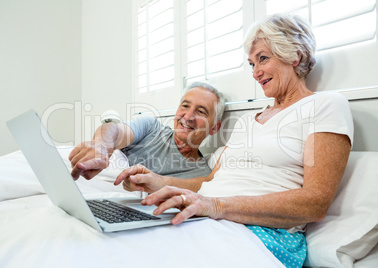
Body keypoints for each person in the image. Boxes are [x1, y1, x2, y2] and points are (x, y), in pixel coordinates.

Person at [114, 14, 353, 267]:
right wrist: (157, 182)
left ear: (295, 56)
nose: (256, 73)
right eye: (252, 64)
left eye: (263, 58)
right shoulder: (248, 121)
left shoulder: (325, 105)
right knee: (119, 244)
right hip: (209, 218)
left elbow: (315, 202)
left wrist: (216, 206)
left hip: (263, 232)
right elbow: (210, 181)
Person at [69, 81, 225, 181]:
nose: (188, 116)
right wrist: (102, 144)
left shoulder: (201, 176)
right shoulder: (151, 128)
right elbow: (114, 130)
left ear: (214, 128)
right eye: (185, 106)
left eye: (201, 111)